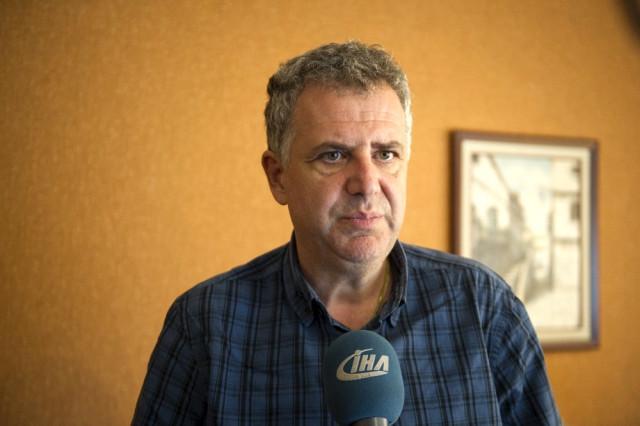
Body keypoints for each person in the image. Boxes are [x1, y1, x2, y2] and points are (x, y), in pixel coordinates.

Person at [132, 41, 561, 425]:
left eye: (386, 154)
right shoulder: (206, 324)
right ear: (278, 177)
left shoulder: (485, 306)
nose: (367, 183)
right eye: (334, 155)